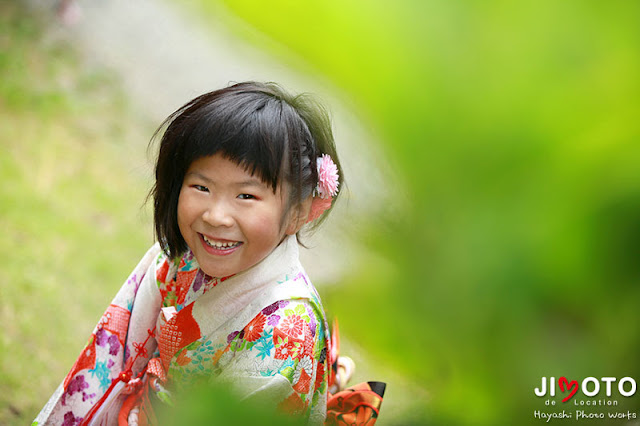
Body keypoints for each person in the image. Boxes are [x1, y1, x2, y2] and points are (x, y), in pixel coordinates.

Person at [34, 82, 383, 426]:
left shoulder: (287, 329)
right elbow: (118, 352)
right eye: (201, 187)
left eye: (246, 196)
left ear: (298, 211)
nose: (215, 216)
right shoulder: (180, 257)